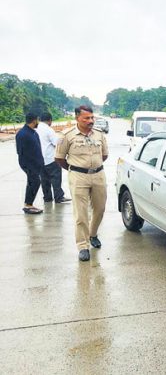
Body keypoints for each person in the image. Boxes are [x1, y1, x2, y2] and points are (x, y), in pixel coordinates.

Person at [55, 105, 109, 262]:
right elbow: (59, 158)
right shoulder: (67, 135)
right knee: (81, 213)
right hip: (78, 177)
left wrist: (93, 167)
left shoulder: (99, 135)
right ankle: (83, 246)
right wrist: (75, 169)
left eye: (92, 117)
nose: (90, 120)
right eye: (86, 118)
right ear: (77, 118)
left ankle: (93, 234)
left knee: (100, 209)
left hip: (98, 175)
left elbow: (104, 155)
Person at [37, 112, 71, 204]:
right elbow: (56, 143)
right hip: (50, 159)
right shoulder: (49, 130)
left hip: (39, 160)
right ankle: (58, 197)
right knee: (55, 178)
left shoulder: (35, 129)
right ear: (50, 120)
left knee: (44, 180)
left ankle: (47, 198)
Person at [16, 112, 44, 214]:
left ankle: (29, 204)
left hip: (36, 164)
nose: (38, 122)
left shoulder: (33, 132)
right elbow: (20, 152)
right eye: (37, 120)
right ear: (34, 120)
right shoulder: (22, 134)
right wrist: (29, 165)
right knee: (35, 182)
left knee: (33, 182)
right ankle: (28, 205)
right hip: (29, 164)